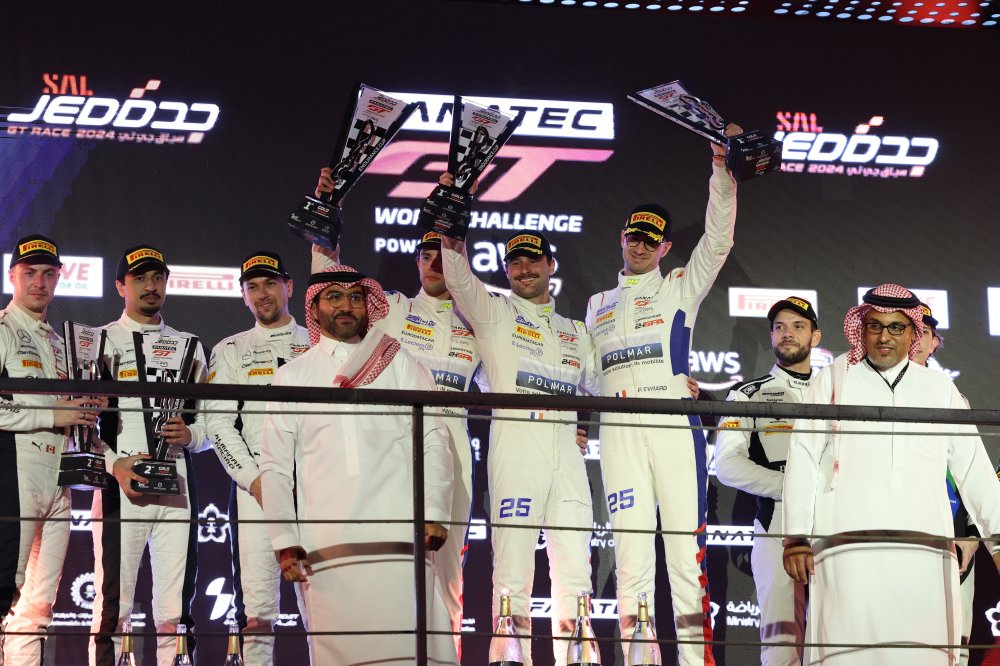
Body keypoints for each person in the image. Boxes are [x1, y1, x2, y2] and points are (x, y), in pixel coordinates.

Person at [584, 124, 740, 665]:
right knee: (630, 557)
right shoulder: (597, 304)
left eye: (652, 240)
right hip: (619, 432)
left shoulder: (678, 287)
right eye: (635, 236)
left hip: (673, 425)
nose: (641, 245)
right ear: (622, 238)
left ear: (665, 247)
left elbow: (717, 243)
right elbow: (588, 373)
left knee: (683, 554)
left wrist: (721, 172)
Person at [782, 284, 1000, 666]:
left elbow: (973, 469)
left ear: (914, 332)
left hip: (922, 556)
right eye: (875, 326)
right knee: (845, 652)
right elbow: (803, 460)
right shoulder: (832, 380)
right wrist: (795, 538)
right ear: (861, 329)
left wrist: (997, 540)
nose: (884, 336)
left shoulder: (938, 388)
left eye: (896, 327)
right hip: (846, 552)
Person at [316, 166, 484, 655]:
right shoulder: (391, 309)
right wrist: (327, 213)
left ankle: (442, 659)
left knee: (447, 572)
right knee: (386, 564)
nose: (434, 263)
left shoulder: (480, 319)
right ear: (415, 262)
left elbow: (518, 375)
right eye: (425, 255)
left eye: (442, 254)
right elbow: (329, 283)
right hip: (391, 447)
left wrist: (565, 424)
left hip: (453, 449)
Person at [260, 264, 456, 665]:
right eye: (334, 297)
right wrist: (284, 541)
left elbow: (434, 438)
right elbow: (275, 468)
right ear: (314, 309)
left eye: (355, 297)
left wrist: (435, 511)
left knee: (410, 649)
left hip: (399, 535)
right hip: (327, 543)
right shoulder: (292, 376)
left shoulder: (399, 363)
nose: (346, 306)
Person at [440, 226, 599, 666]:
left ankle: (579, 659)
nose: (524, 269)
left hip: (567, 458)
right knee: (512, 573)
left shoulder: (576, 331)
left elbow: (604, 382)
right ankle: (510, 659)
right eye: (515, 263)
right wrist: (451, 228)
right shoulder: (494, 312)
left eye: (532, 260)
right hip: (516, 454)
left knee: (576, 573)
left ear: (551, 265)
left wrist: (674, 385)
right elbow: (458, 278)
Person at [89, 245, 211, 666]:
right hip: (120, 488)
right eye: (139, 278)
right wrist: (114, 465)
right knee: (114, 607)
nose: (150, 286)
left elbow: (210, 426)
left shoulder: (190, 345)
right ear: (120, 286)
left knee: (175, 611)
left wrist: (191, 435)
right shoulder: (100, 341)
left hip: (178, 488)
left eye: (158, 277)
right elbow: (84, 424)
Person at [0, 235, 105, 665]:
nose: (39, 282)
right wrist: (53, 412)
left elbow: (73, 415)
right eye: (30, 273)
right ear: (12, 276)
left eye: (48, 273)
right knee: (4, 588)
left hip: (59, 479)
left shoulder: (63, 344)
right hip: (15, 472)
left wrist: (89, 418)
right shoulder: (3, 329)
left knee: (39, 607)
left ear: (60, 277)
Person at [205, 252, 310, 666]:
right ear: (243, 296)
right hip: (256, 492)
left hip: (316, 486)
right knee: (257, 613)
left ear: (289, 287)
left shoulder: (318, 343)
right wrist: (255, 480)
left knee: (322, 608)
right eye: (253, 287)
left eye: (270, 283)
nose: (262, 294)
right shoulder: (230, 349)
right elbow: (218, 424)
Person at [715, 297, 820, 666]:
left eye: (798, 326)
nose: (787, 333)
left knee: (835, 640)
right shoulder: (747, 393)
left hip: (835, 522)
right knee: (780, 645)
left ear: (815, 336)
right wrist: (793, 488)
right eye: (779, 327)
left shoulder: (837, 390)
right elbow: (726, 465)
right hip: (776, 522)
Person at [914, 301, 977, 666]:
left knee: (954, 648)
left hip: (951, 535)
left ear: (935, 342)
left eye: (924, 332)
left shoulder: (952, 396)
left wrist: (971, 533)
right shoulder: (863, 389)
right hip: (895, 533)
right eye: (910, 330)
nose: (916, 339)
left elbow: (969, 470)